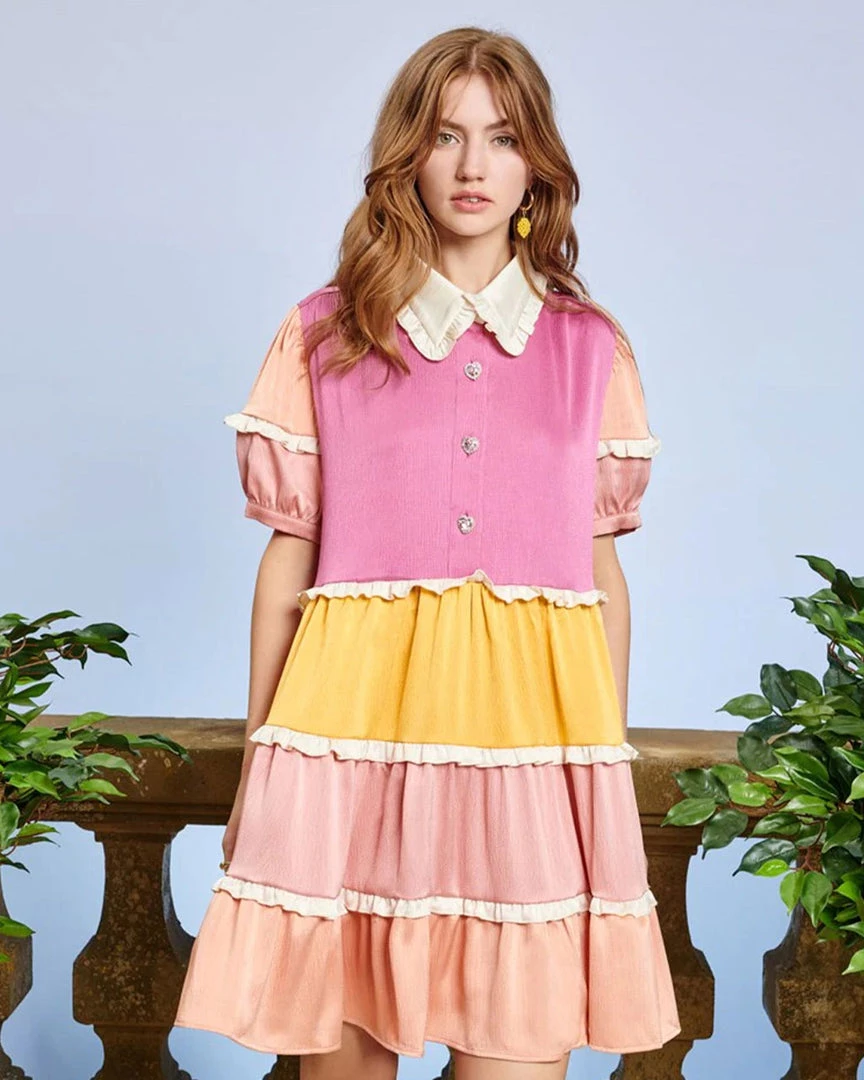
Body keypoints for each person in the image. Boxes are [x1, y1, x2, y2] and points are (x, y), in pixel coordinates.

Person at [173, 24, 681, 1080]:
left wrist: (600, 776)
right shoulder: (326, 334)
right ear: (407, 155)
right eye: (446, 136)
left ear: (536, 165)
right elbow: (288, 567)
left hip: (528, 759)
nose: (471, 166)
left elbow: (601, 580)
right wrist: (267, 764)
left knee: (518, 1056)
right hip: (351, 748)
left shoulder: (591, 348)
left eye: (502, 138)